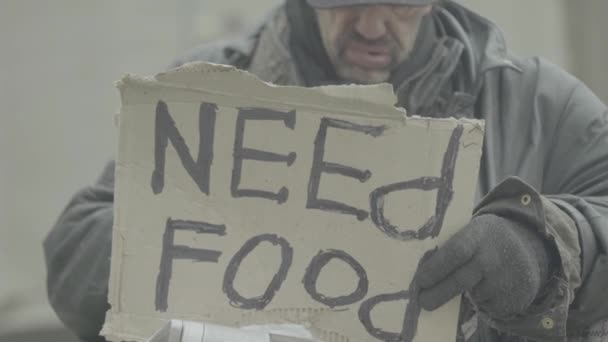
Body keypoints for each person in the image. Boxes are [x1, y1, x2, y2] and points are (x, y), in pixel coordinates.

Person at [43, 0, 608, 341]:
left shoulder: (541, 104)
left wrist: (545, 246)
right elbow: (74, 253)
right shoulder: (206, 93)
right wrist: (214, 244)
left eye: (400, 3)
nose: (370, 25)